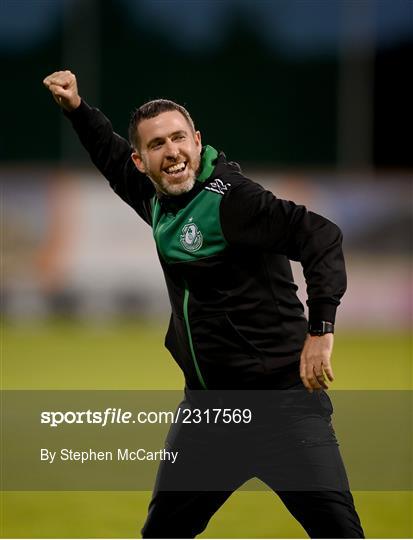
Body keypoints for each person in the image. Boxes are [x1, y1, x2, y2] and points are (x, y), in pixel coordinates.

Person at [43, 70, 364, 539]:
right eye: (157, 145)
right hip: (206, 418)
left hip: (283, 414)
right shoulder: (157, 197)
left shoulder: (235, 201)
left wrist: (321, 329)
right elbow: (110, 157)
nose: (171, 151)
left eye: (178, 138)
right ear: (142, 161)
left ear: (197, 141)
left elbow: (321, 236)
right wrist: (76, 108)